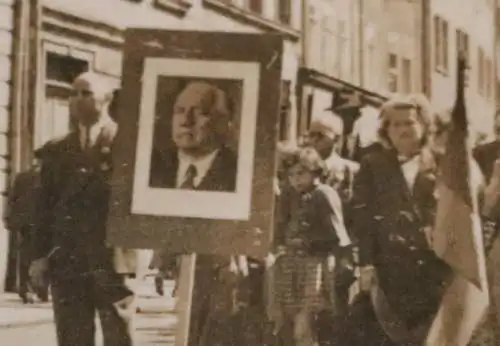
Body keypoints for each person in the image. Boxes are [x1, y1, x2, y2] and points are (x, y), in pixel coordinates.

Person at [29, 72, 136, 346]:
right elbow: (43, 208)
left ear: (107, 98)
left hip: (112, 259)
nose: (77, 100)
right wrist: (39, 257)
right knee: (72, 337)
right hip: (67, 259)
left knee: (118, 336)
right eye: (73, 93)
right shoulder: (57, 150)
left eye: (86, 93)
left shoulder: (127, 144)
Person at [337, 94, 453, 345]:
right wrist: (366, 263)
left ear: (424, 125)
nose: (402, 130)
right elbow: (362, 217)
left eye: (409, 123)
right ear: (386, 130)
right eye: (395, 124)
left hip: (434, 269)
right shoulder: (373, 165)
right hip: (388, 271)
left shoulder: (444, 163)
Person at [269, 146, 351, 346]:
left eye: (301, 173)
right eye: (291, 175)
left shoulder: (323, 194)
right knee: (287, 318)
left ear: (315, 171)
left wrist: (314, 245)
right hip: (290, 264)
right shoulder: (289, 195)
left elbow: (338, 236)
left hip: (315, 265)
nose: (296, 179)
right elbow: (281, 226)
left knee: (307, 321)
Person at [149, 81, 238, 192]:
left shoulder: (238, 174)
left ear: (223, 123)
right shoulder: (152, 166)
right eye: (180, 110)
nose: (186, 121)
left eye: (199, 112)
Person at [5, 158, 48, 304]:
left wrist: (10, 218)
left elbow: (12, 199)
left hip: (25, 223)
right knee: (41, 256)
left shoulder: (21, 177)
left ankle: (25, 290)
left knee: (25, 256)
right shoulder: (47, 178)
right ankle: (40, 291)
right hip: (40, 224)